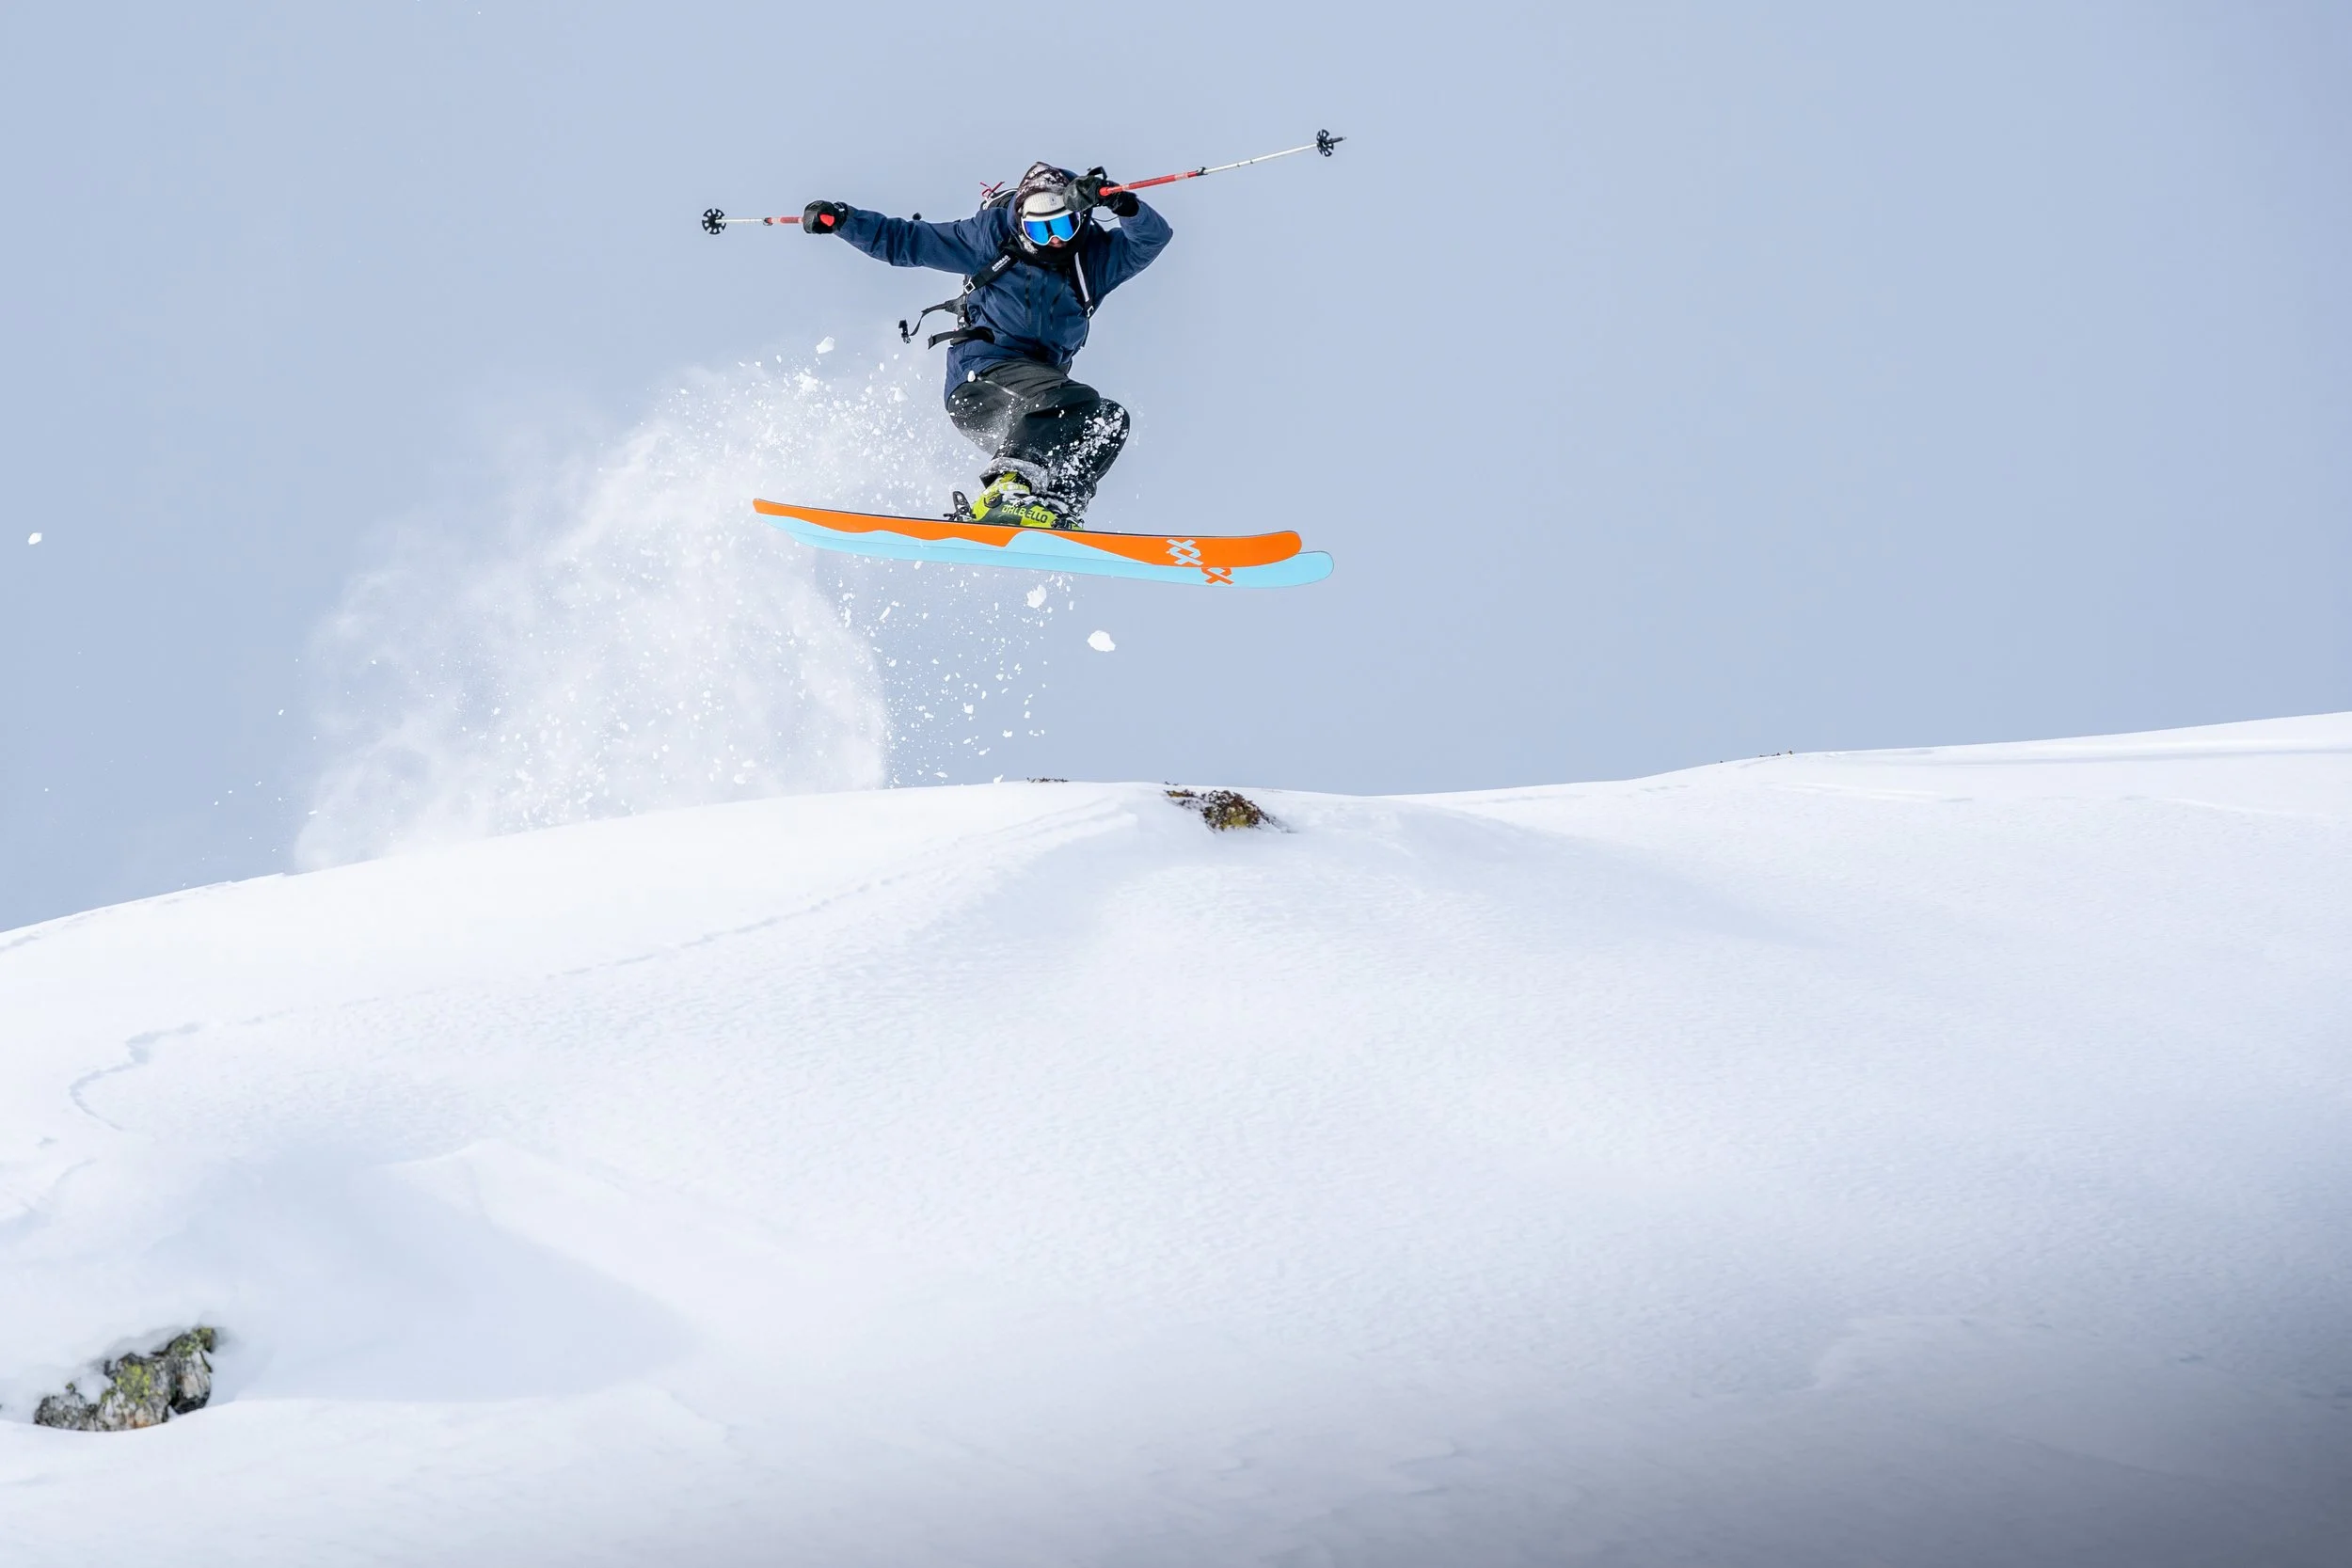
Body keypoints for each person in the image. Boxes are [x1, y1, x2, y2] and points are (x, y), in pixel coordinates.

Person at [801, 162, 1172, 531]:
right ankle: (1005, 491)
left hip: (1034, 401)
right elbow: (907, 241)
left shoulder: (1093, 258)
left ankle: (1056, 503)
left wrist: (1122, 204)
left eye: (1063, 226)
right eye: (1041, 232)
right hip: (982, 380)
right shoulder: (990, 238)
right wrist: (842, 220)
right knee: (1071, 400)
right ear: (1022, 227)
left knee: (1107, 419)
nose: (1055, 240)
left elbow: (1152, 238)